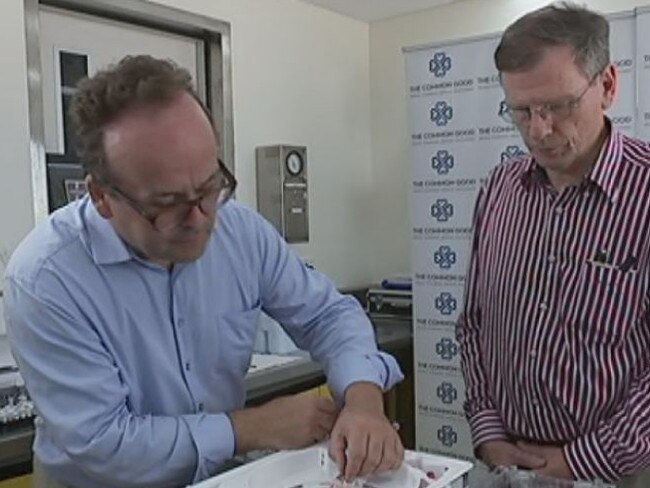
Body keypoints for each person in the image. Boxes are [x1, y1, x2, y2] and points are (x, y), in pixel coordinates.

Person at [4, 55, 404, 488]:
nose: (199, 218)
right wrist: (253, 427)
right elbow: (106, 445)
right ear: (101, 196)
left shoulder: (240, 232)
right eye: (167, 203)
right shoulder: (46, 278)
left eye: (209, 186)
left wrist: (363, 399)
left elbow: (327, 315)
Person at [457, 3, 650, 487]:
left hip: (619, 472)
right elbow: (474, 323)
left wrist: (579, 462)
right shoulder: (498, 189)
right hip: (503, 461)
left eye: (559, 106)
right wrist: (486, 427)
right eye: (521, 111)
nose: (539, 130)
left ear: (607, 86)